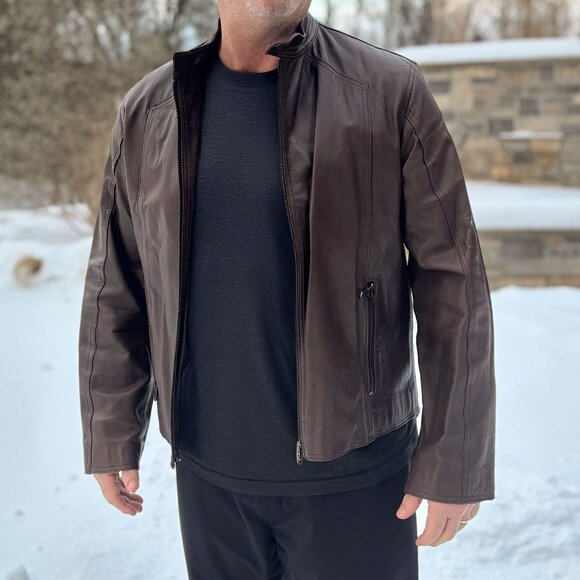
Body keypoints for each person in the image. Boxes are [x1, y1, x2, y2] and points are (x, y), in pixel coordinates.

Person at [78, 1, 496, 578]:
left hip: (355, 477)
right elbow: (116, 281)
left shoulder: (386, 90)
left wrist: (455, 456)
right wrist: (110, 430)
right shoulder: (151, 109)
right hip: (209, 481)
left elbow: (454, 281)